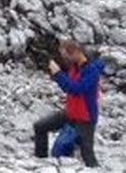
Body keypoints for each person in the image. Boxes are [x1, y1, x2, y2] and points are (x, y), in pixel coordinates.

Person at [33, 39, 104, 167]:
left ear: (76, 53)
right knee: (40, 127)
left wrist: (58, 73)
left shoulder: (92, 71)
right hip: (71, 112)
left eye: (67, 56)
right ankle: (40, 162)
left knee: (87, 154)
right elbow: (67, 84)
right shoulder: (75, 66)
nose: (65, 59)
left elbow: (76, 89)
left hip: (85, 118)